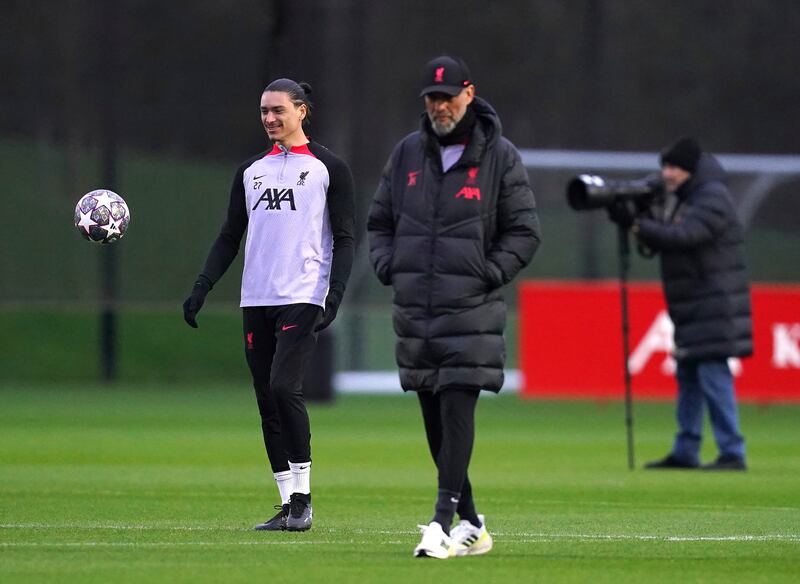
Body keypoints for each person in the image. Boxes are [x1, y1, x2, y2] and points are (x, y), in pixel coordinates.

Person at [367, 56, 541, 558]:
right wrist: (388, 264)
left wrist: (487, 274)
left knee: (457, 409)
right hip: (416, 312)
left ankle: (440, 523)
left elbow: (526, 231)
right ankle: (473, 525)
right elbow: (380, 222)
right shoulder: (405, 155)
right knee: (435, 425)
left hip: (470, 314)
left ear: (469, 94)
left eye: (447, 97)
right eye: (431, 98)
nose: (439, 106)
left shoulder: (499, 157)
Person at [182, 78, 355, 530]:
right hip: (256, 295)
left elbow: (346, 238)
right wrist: (202, 286)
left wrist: (333, 293)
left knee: (284, 387)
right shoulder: (249, 171)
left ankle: (304, 499)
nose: (269, 119)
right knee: (265, 398)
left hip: (303, 293)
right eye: (263, 111)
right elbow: (228, 236)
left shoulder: (327, 168)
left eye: (278, 110)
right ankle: (287, 503)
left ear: (301, 111)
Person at [611, 136, 752, 471]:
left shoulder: (711, 197)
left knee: (713, 374)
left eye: (674, 167)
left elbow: (684, 237)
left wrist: (636, 224)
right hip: (693, 302)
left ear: (689, 169)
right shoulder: (685, 196)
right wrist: (636, 216)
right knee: (688, 374)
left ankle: (732, 451)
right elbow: (668, 236)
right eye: (665, 167)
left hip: (714, 301)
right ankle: (686, 449)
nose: (667, 174)